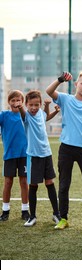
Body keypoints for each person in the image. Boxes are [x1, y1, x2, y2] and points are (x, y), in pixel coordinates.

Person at [46, 71, 82, 230]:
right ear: (76, 84)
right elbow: (49, 91)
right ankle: (63, 218)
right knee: (64, 185)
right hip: (66, 148)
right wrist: (59, 80)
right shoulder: (65, 99)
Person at [17, 90, 61, 227]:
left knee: (49, 182)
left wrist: (53, 110)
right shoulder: (26, 116)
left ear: (40, 104)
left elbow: (46, 116)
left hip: (46, 153)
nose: (34, 108)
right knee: (33, 185)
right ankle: (32, 216)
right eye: (31, 105)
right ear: (26, 104)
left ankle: (56, 213)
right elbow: (23, 113)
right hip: (34, 156)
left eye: (37, 105)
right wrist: (20, 108)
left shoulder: (41, 113)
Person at [0, 90, 30, 222]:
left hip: (24, 154)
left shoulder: (26, 115)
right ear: (9, 102)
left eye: (18, 100)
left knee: (24, 182)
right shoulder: (4, 115)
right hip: (10, 154)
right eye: (13, 100)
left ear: (22, 102)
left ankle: (25, 210)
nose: (16, 103)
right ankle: (5, 210)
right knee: (8, 182)